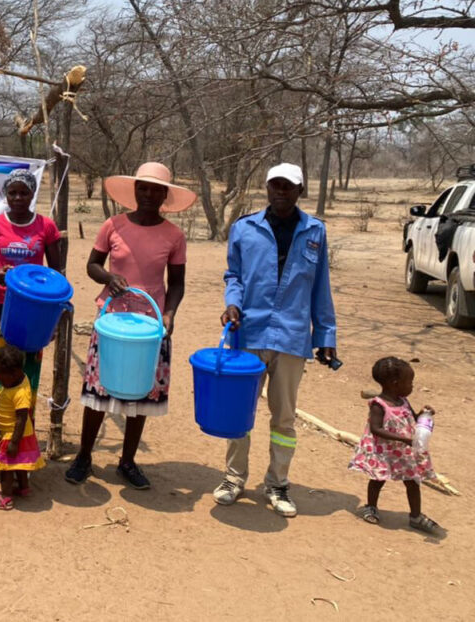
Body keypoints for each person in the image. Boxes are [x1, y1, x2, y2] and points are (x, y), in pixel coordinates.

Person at [212, 162, 337, 518]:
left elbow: (320, 287)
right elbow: (233, 275)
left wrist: (326, 334)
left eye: (288, 186)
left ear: (300, 190)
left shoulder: (315, 231)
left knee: (284, 418)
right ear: (266, 188)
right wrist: (232, 303)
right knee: (240, 412)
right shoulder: (244, 228)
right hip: (248, 332)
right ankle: (234, 478)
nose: (281, 191)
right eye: (275, 185)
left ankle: (277, 483)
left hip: (292, 336)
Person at [64, 162, 195, 489]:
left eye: (156, 190)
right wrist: (109, 277)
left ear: (165, 195)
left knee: (141, 392)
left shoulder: (174, 236)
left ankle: (127, 461)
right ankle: (84, 456)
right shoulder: (113, 225)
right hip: (111, 319)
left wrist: (170, 313)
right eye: (143, 188)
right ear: (134, 191)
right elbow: (92, 265)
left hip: (151, 325)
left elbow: (176, 283)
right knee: (98, 389)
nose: (149, 195)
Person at [0, 168, 61, 482]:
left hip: (32, 315)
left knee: (25, 385)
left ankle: (20, 455)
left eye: (24, 193)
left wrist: (52, 318)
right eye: (13, 193)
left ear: (32, 194)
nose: (19, 198)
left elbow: (57, 274)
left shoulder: (46, 227)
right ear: (6, 195)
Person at [349, 357, 440, 533]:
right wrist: (402, 438)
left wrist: (424, 414)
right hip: (383, 451)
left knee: (413, 482)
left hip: (403, 452)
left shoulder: (403, 401)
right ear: (395, 383)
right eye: (410, 382)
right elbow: (376, 429)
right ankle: (371, 507)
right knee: (377, 480)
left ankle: (416, 516)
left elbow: (412, 418)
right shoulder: (379, 405)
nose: (412, 386)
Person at [0, 344, 45, 510]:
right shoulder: (21, 379)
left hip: (13, 435)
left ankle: (5, 497)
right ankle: (23, 487)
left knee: (7, 468)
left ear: (13, 373)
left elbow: (21, 418)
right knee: (20, 463)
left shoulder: (20, 393)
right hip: (22, 434)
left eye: (0, 378)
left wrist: (13, 442)